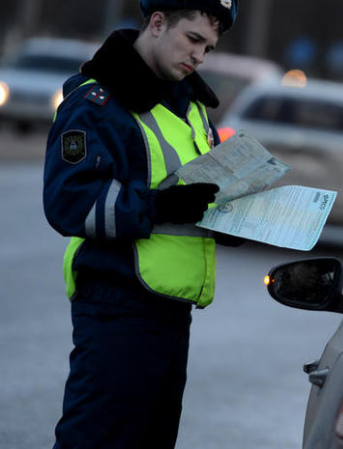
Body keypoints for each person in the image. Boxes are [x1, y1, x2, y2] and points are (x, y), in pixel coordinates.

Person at [42, 1, 239, 448]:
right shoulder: (97, 102)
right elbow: (69, 202)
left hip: (171, 312)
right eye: (193, 39)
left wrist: (230, 219)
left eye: (208, 48)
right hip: (117, 304)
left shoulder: (191, 107)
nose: (199, 56)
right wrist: (160, 205)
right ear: (157, 23)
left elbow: (195, 197)